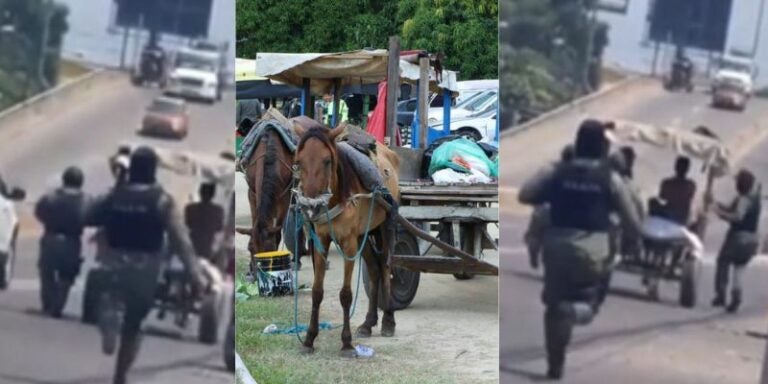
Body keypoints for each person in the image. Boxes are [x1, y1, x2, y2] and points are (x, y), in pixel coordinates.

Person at [518, 119, 643, 380]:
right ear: (602, 148)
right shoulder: (610, 178)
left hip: (555, 250)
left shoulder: (558, 172)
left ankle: (555, 365)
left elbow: (525, 195)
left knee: (553, 306)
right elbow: (631, 220)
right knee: (591, 302)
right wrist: (634, 242)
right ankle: (577, 312)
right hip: (594, 253)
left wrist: (555, 183)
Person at [86, 146, 208, 384]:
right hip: (146, 270)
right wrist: (195, 275)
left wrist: (116, 193)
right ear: (154, 171)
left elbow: (89, 215)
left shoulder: (116, 196)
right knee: (134, 326)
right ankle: (120, 375)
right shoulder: (162, 201)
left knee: (108, 300)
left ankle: (109, 322)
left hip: (113, 262)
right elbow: (180, 240)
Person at [34, 167, 89, 318]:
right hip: (71, 241)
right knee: (67, 275)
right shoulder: (85, 200)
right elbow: (90, 217)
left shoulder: (51, 196)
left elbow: (39, 212)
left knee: (46, 273)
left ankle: (47, 304)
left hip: (51, 237)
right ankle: (57, 306)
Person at [711, 169, 762, 313]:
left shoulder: (744, 199)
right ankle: (736, 297)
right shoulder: (754, 198)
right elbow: (731, 208)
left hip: (739, 237)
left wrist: (720, 214)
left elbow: (737, 216)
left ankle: (720, 294)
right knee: (739, 267)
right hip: (752, 239)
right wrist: (719, 205)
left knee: (723, 261)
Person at [184, 182, 224, 263]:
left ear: (200, 192)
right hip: (208, 248)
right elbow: (219, 228)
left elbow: (188, 224)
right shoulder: (218, 211)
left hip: (192, 246)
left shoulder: (190, 208)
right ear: (213, 195)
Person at [658, 156, 697, 226]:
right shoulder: (690, 185)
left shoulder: (667, 183)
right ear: (687, 169)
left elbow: (661, 198)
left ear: (675, 167)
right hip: (680, 221)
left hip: (668, 220)